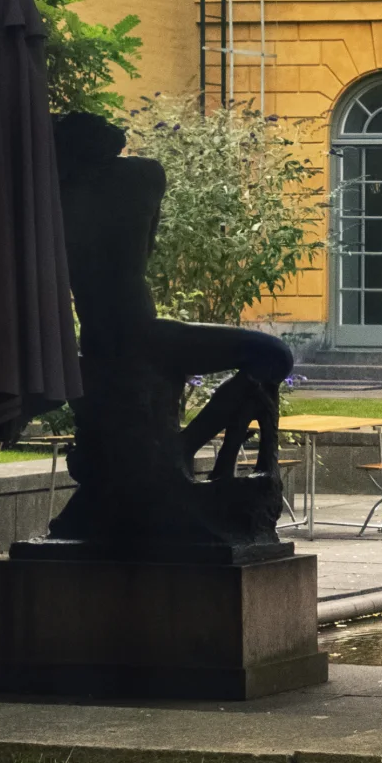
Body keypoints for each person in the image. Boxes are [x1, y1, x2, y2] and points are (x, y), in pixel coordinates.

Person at [48, 112, 294, 550]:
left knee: (268, 357)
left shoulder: (50, 200)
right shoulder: (142, 176)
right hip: (141, 333)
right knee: (274, 356)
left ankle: (181, 451)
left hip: (101, 339)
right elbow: (147, 246)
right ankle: (185, 446)